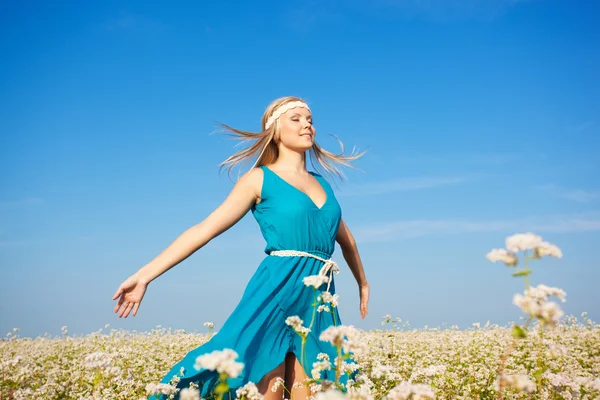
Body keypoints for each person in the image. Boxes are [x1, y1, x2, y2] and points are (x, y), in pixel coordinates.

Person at [112, 96, 370, 399]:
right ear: (275, 131)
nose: (307, 125)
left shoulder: (323, 184)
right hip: (276, 291)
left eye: (310, 119)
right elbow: (204, 229)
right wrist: (145, 275)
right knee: (265, 388)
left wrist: (362, 283)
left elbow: (346, 240)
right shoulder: (259, 179)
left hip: (318, 298)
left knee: (315, 390)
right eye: (296, 119)